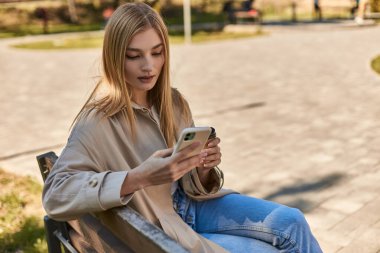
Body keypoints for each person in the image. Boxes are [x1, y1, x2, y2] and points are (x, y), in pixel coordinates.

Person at [42, 3, 323, 252]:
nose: (149, 66)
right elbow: (55, 195)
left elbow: (191, 184)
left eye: (157, 52)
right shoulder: (97, 122)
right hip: (163, 226)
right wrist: (137, 177)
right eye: (134, 55)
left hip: (192, 205)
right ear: (115, 57)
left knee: (292, 221)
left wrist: (202, 167)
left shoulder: (173, 102)